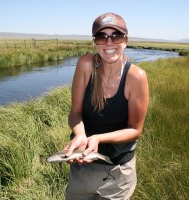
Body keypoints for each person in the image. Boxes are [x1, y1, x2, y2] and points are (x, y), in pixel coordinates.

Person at [63, 12, 149, 200]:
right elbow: (75, 112)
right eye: (102, 37)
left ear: (126, 40)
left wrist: (97, 139)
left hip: (117, 174)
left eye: (116, 36)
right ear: (95, 41)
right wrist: (80, 135)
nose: (109, 43)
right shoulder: (85, 65)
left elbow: (135, 129)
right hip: (82, 168)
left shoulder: (136, 77)